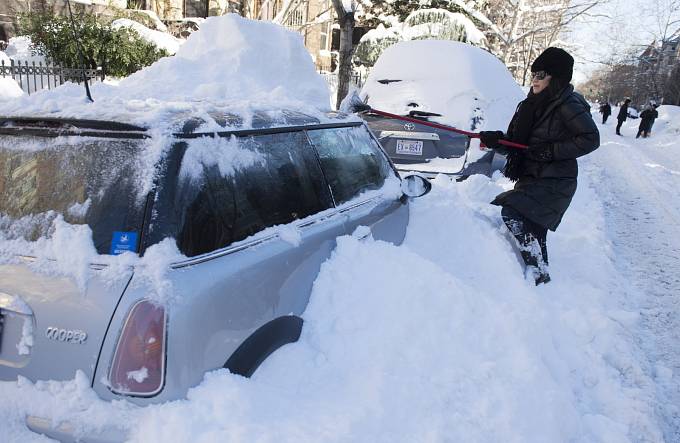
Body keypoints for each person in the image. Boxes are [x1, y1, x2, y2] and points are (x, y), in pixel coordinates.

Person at [479, 47, 600, 285]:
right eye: (533, 73)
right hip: (533, 177)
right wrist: (496, 140)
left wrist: (550, 151)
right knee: (534, 231)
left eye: (541, 74)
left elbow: (590, 139)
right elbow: (520, 145)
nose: (534, 79)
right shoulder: (532, 105)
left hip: (555, 181)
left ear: (556, 77)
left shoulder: (568, 103)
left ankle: (537, 272)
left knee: (512, 211)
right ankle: (541, 282)